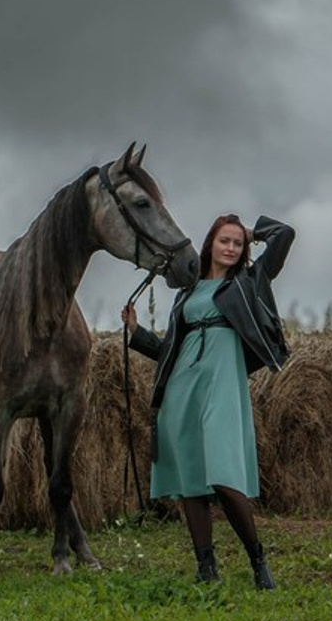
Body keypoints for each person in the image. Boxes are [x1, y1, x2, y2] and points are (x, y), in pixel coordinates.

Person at [122, 213, 294, 589]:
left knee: (223, 474)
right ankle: (206, 568)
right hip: (183, 387)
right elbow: (172, 347)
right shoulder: (188, 291)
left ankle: (258, 561)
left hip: (222, 384)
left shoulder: (249, 281)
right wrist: (137, 333)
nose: (231, 248)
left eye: (237, 243)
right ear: (210, 244)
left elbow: (284, 235)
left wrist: (251, 231)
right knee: (191, 481)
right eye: (224, 241)